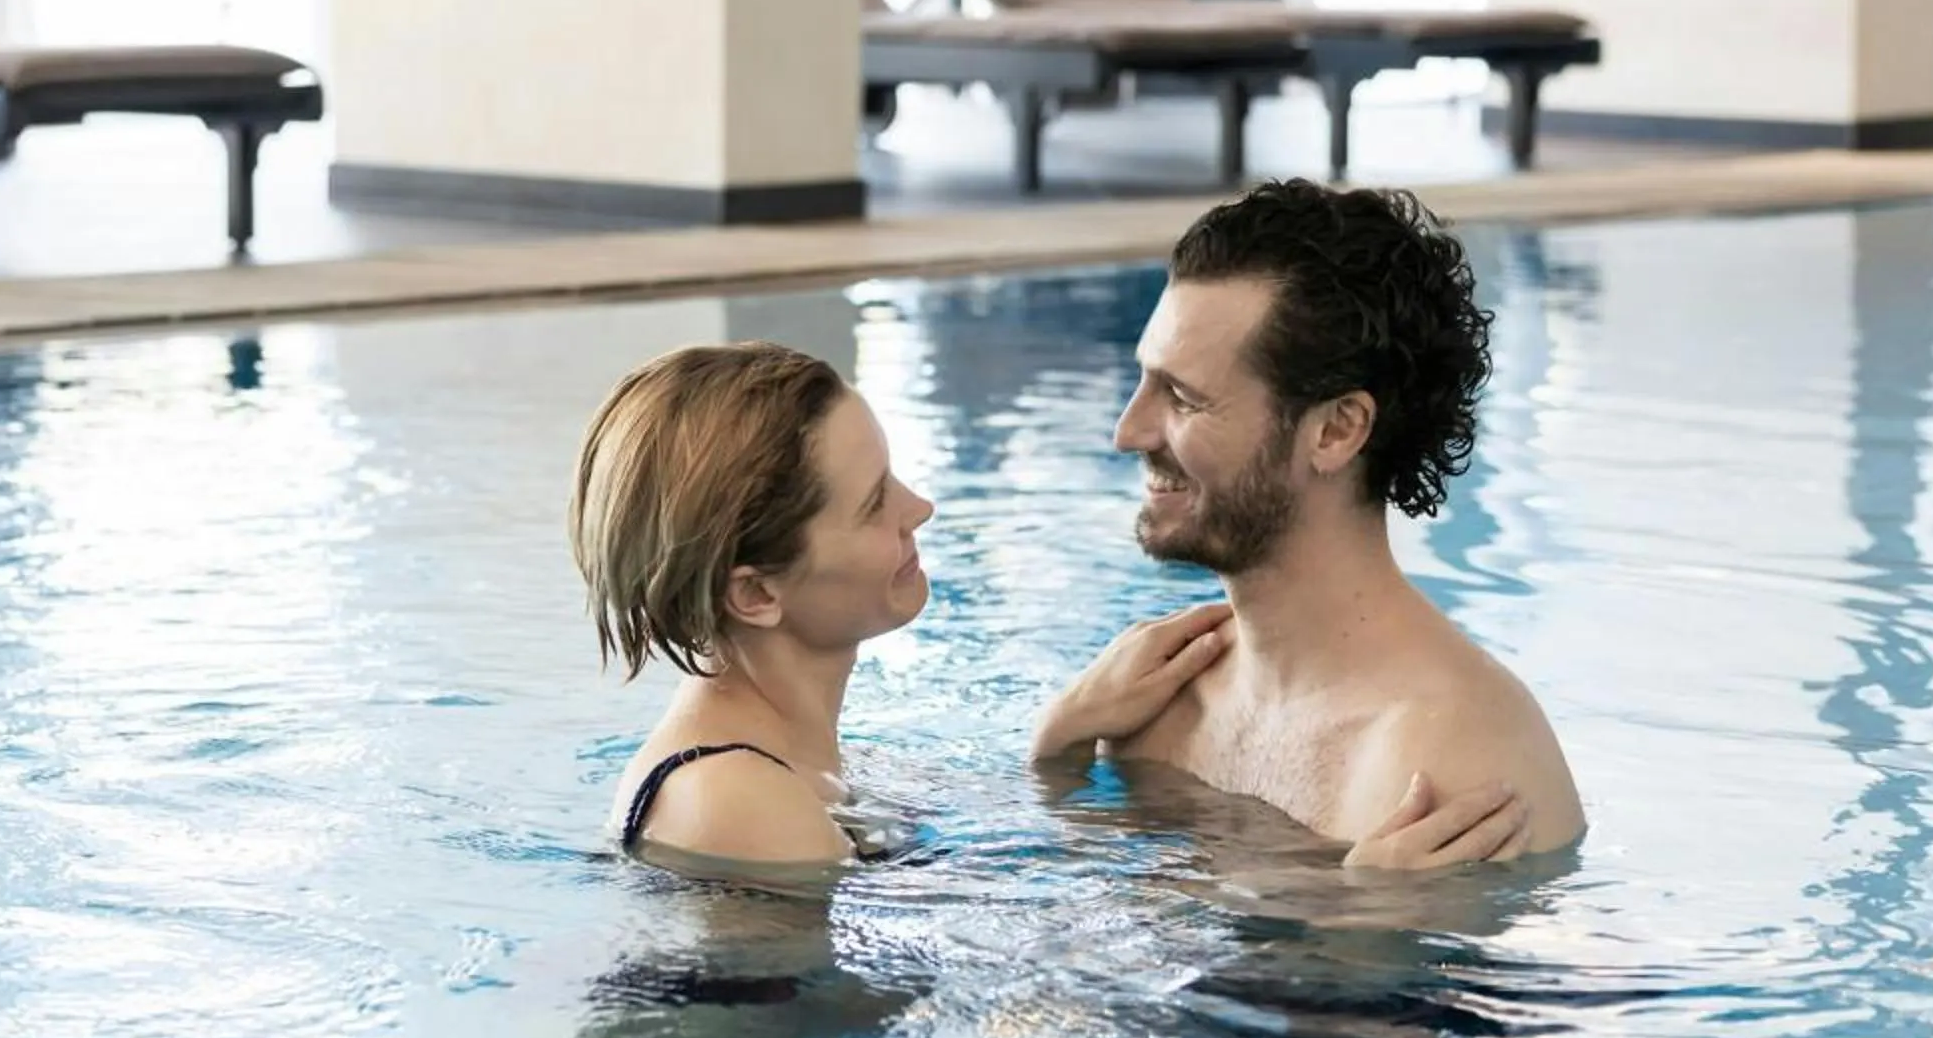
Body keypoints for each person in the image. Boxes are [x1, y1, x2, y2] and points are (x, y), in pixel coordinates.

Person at [1034, 180, 1586, 864]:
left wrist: (1365, 939)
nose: (1128, 431)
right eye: (1144, 382)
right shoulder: (1142, 697)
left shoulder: (1451, 760)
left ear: (1336, 430)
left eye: (1182, 397)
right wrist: (1055, 756)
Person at [570, 342, 932, 870]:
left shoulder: (803, 763)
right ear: (756, 594)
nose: (920, 509)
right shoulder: (734, 802)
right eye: (874, 503)